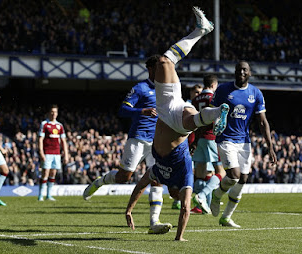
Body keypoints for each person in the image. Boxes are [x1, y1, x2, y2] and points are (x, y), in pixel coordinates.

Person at [125, 6, 229, 241]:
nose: (177, 196)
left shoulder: (158, 174)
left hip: (167, 111)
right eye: (176, 195)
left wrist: (129, 209)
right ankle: (217, 113)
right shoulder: (184, 180)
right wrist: (179, 237)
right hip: (178, 123)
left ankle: (201, 31)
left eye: (175, 195)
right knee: (191, 120)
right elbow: (185, 208)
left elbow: (140, 186)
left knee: (164, 60)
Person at [83, 55, 173, 234]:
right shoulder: (140, 88)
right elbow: (123, 109)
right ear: (150, 69)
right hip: (138, 138)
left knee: (157, 179)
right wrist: (142, 111)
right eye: (158, 67)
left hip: (157, 141)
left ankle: (154, 222)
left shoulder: (167, 90)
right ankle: (100, 181)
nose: (162, 71)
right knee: (124, 177)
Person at [209, 61, 277, 227]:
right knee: (234, 175)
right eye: (238, 69)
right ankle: (216, 195)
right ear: (234, 72)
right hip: (225, 138)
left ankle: (226, 217)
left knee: (243, 178)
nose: (241, 72)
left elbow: (263, 122)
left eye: (244, 70)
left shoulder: (256, 93)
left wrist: (270, 146)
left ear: (250, 73)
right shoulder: (223, 89)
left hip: (244, 141)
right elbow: (210, 112)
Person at [190, 74, 226, 214]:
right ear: (213, 85)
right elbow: (217, 119)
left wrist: (194, 141)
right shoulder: (214, 98)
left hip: (198, 138)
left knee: (201, 174)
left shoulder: (195, 100)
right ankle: (202, 195)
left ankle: (202, 206)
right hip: (211, 137)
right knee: (221, 172)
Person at [172, 83, 203, 210]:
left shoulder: (199, 105)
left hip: (196, 140)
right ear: (191, 93)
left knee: (193, 171)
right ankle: (179, 199)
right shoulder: (187, 105)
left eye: (199, 93)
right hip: (187, 141)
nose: (198, 95)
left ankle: (186, 198)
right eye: (196, 92)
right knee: (186, 170)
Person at [38, 104, 69, 201]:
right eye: (52, 112)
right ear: (48, 113)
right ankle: (40, 195)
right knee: (45, 172)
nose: (53, 114)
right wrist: (41, 152)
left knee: (53, 173)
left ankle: (48, 195)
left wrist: (66, 154)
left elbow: (63, 141)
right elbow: (40, 139)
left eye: (55, 112)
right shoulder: (44, 124)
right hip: (47, 152)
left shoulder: (59, 126)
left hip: (56, 153)